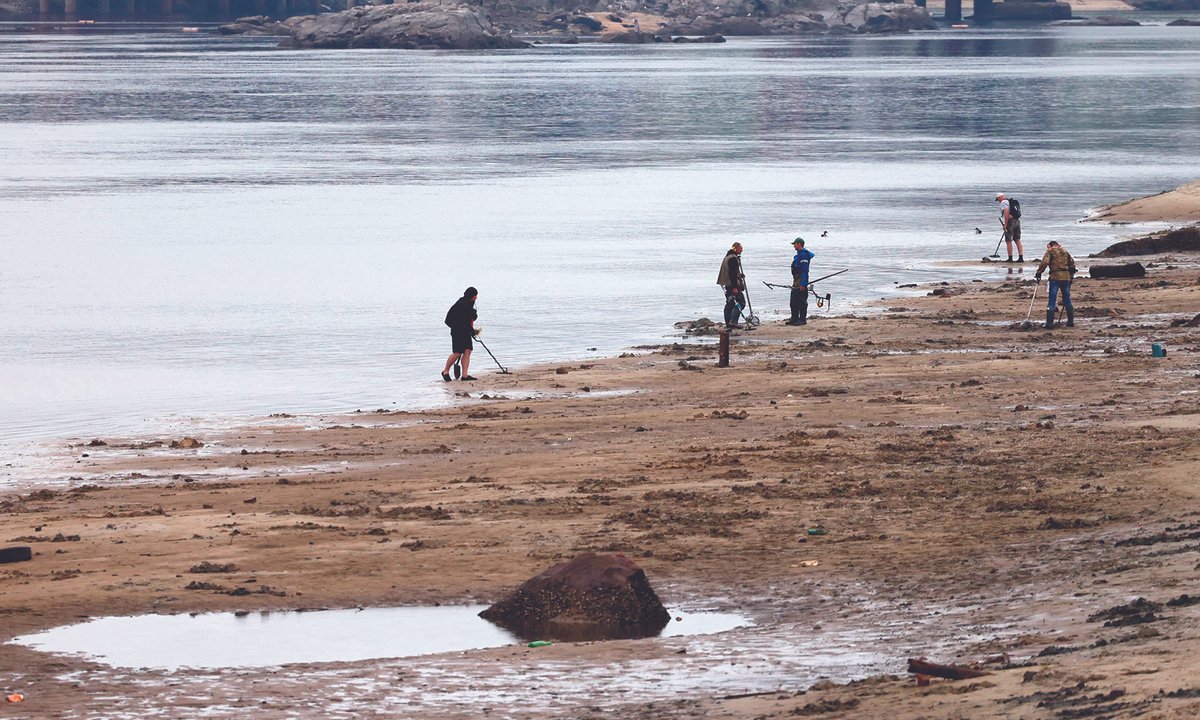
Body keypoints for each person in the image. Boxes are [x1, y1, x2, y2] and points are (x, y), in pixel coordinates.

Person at [1035, 241, 1076, 329]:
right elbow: (1072, 263)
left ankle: (1049, 323)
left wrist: (1039, 272)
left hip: (1055, 277)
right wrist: (1071, 274)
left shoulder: (1050, 251)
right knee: (1067, 299)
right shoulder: (1065, 251)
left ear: (1049, 246)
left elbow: (1045, 262)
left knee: (1052, 299)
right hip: (1066, 277)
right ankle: (1070, 321)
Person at [442, 287, 479, 381]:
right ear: (471, 296)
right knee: (457, 352)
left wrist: (470, 330)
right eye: (475, 296)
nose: (476, 298)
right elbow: (449, 320)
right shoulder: (460, 305)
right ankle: (445, 371)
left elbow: (471, 318)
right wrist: (458, 328)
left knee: (467, 351)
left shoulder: (468, 304)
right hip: (457, 332)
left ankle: (465, 375)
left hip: (466, 331)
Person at [716, 242, 746, 329]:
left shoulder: (728, 257)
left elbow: (731, 272)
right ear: (736, 249)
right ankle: (733, 321)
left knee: (730, 304)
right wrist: (735, 287)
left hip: (727, 284)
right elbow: (732, 274)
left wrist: (739, 275)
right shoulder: (733, 259)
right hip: (731, 285)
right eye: (741, 248)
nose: (742, 249)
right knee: (741, 302)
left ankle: (729, 323)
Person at [788, 237, 813, 326]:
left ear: (799, 244)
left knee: (801, 301)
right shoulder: (799, 255)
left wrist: (803, 283)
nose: (793, 246)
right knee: (793, 300)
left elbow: (805, 270)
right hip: (796, 280)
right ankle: (794, 318)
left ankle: (802, 319)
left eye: (794, 244)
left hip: (801, 280)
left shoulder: (804, 255)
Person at [995, 193, 1024, 263]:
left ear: (999, 198)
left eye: (998, 199)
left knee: (1008, 240)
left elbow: (1006, 212)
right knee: (1017, 240)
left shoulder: (1003, 202)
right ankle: (1021, 258)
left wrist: (1005, 224)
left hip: (1010, 222)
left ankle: (1010, 258)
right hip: (1017, 221)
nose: (998, 201)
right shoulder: (1010, 201)